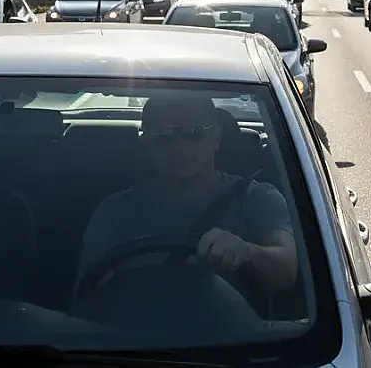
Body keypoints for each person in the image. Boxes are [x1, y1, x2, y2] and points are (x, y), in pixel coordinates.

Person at [75, 93, 298, 295]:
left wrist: (247, 252)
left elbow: (287, 269)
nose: (179, 147)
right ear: (146, 144)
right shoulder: (114, 212)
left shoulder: (257, 199)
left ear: (216, 137)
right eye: (163, 136)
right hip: (133, 336)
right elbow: (86, 297)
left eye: (193, 132)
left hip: (237, 338)